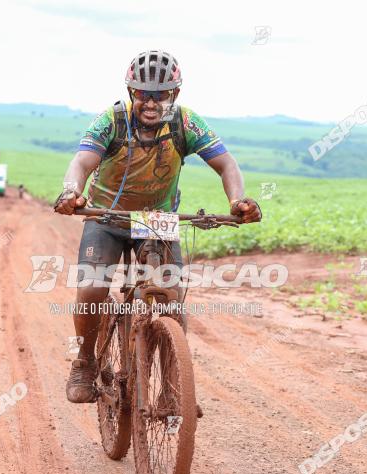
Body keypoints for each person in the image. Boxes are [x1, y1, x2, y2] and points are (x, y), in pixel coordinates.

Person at [54, 49, 261, 403]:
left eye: (160, 95)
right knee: (92, 290)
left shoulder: (186, 122)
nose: (151, 103)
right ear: (131, 92)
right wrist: (72, 192)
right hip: (106, 216)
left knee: (170, 299)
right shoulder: (111, 120)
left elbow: (227, 165)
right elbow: (81, 162)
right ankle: (85, 362)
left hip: (157, 221)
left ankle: (171, 385)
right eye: (143, 94)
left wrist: (237, 201)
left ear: (174, 95)